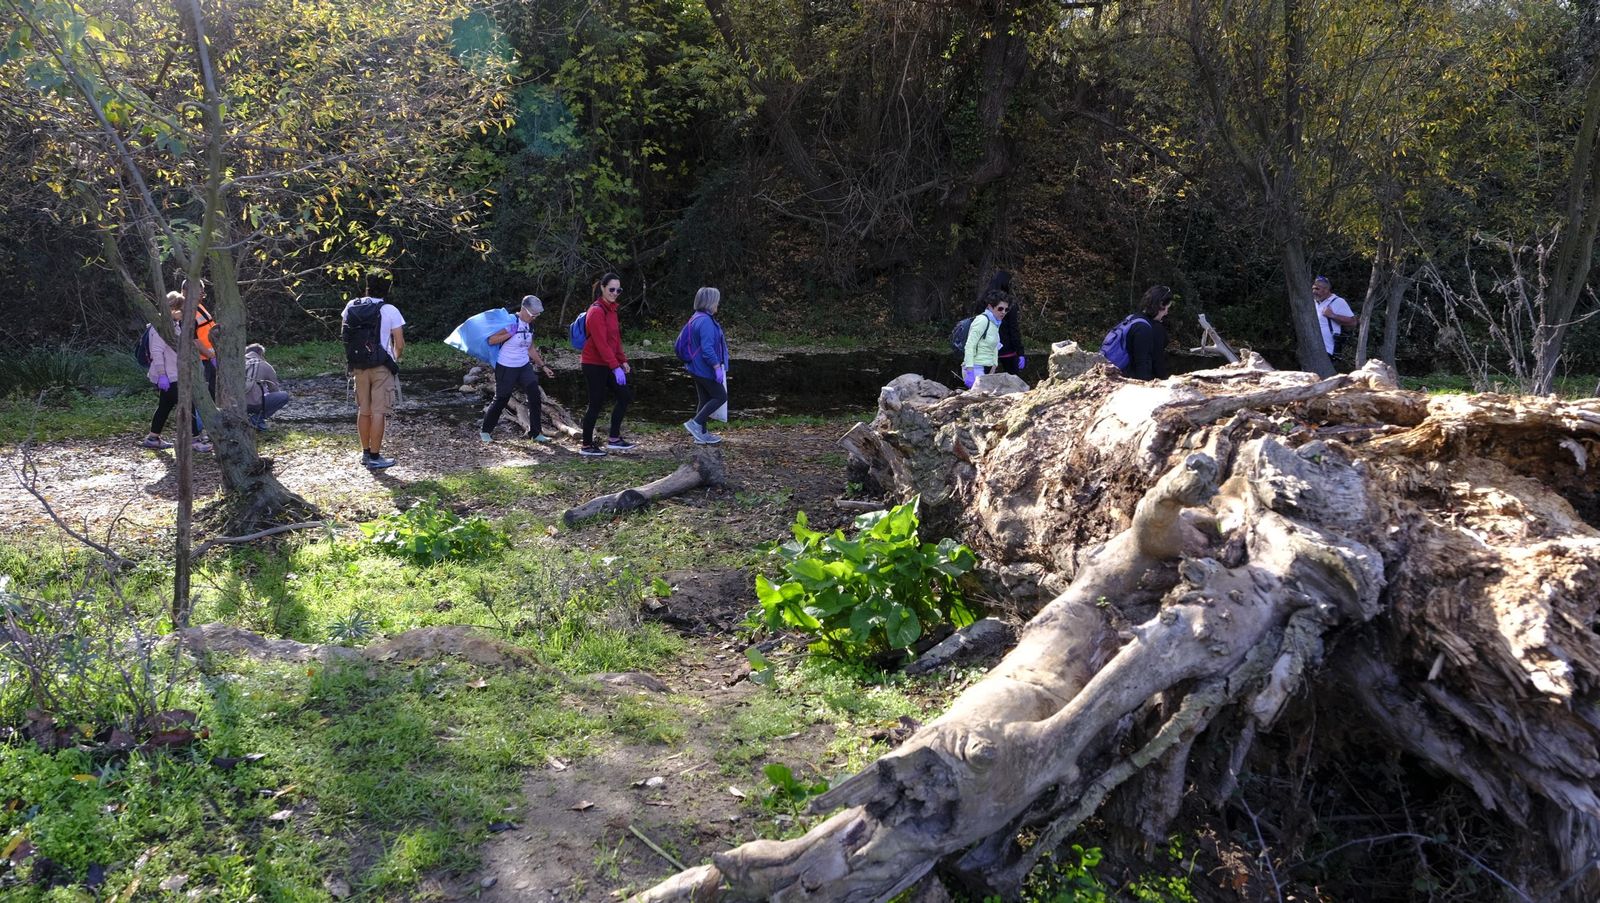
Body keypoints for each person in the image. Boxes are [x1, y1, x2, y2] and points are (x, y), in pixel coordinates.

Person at [342, 272, 405, 469]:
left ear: (367, 286)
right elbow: (400, 343)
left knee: (364, 410)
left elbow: (345, 335)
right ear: (388, 289)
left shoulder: (352, 306)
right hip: (382, 366)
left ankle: (365, 453)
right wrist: (394, 358)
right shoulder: (390, 309)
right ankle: (376, 457)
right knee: (379, 412)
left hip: (358, 365)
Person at [138, 293, 210, 452]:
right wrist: (162, 375)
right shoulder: (160, 328)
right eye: (181, 310)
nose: (184, 313)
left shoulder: (173, 324)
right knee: (188, 403)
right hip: (169, 376)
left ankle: (153, 438)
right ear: (172, 308)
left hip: (173, 373)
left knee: (165, 405)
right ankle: (194, 440)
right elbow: (156, 352)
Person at [480, 294, 555, 443]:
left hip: (523, 365)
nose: (534, 317)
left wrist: (543, 366)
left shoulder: (530, 325)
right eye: (533, 314)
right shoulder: (510, 321)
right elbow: (491, 340)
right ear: (523, 309)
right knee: (502, 398)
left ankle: (535, 433)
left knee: (534, 395)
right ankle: (485, 431)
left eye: (537, 315)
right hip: (506, 366)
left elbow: (531, 348)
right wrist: (509, 333)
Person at [578, 272, 633, 457]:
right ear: (602, 288)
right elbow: (601, 343)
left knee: (624, 396)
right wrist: (615, 366)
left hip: (609, 363)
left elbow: (615, 340)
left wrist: (622, 360)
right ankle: (586, 446)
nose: (615, 292)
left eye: (619, 290)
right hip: (593, 363)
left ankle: (614, 439)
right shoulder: (596, 311)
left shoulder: (612, 309)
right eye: (611, 289)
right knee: (595, 403)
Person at [678, 287, 728, 445]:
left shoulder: (697, 317)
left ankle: (701, 434)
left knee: (705, 398)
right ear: (710, 302)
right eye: (716, 300)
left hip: (696, 367)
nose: (718, 303)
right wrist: (716, 367)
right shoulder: (705, 321)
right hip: (704, 368)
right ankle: (695, 424)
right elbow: (707, 349)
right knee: (720, 396)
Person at [961, 289, 1009, 388]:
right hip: (975, 368)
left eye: (1006, 309)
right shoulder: (982, 320)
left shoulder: (995, 323)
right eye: (1000, 309)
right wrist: (970, 371)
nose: (1003, 312)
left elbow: (995, 347)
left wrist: (993, 368)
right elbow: (970, 345)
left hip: (987, 369)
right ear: (990, 307)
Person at [1125, 285, 1174, 381]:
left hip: (1120, 374)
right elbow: (1149, 363)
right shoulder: (1151, 329)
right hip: (1134, 383)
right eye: (1168, 308)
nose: (1167, 313)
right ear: (1161, 304)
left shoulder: (1133, 318)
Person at [988, 270, 1027, 376]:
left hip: (987, 349)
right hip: (1006, 350)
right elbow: (1013, 329)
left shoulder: (984, 302)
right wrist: (1020, 352)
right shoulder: (1008, 305)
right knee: (1014, 382)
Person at [1312, 275, 1356, 367]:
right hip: (1312, 349)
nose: (1314, 291)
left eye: (1317, 289)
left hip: (1328, 351)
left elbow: (1353, 322)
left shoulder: (1338, 301)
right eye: (1313, 288)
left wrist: (1332, 315)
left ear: (1326, 290)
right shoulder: (1314, 302)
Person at [244, 343, 291, 430]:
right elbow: (274, 389)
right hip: (253, 405)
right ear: (261, 354)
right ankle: (257, 418)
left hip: (233, 403)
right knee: (284, 396)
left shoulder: (236, 363)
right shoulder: (265, 365)